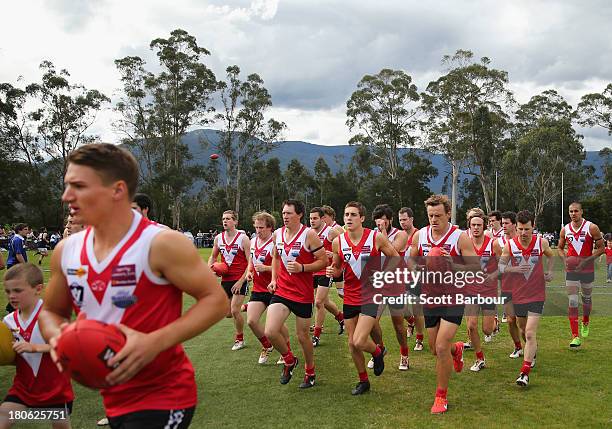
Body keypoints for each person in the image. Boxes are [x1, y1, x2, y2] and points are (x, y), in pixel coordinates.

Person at [38, 143, 227, 429]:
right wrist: (60, 338)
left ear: (117, 190)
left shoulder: (161, 243)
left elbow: (215, 300)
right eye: (67, 186)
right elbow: (51, 313)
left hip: (165, 393)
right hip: (113, 395)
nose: (66, 197)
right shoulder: (66, 251)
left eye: (78, 186)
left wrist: (154, 343)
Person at [409, 194, 478, 414]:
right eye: (430, 215)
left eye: (438, 215)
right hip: (430, 297)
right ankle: (456, 349)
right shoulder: (420, 236)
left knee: (440, 347)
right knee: (435, 349)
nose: (433, 220)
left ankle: (441, 397)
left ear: (448, 213)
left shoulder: (459, 238)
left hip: (453, 297)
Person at [326, 201, 399, 394]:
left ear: (362, 218)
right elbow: (338, 268)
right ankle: (363, 381)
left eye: (353, 215)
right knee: (352, 343)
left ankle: (377, 352)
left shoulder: (375, 238)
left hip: (370, 295)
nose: (348, 218)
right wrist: (331, 271)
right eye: (346, 215)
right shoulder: (338, 242)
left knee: (359, 341)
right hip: (350, 296)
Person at [1, 263, 74, 429]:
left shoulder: (52, 315)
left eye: (18, 291)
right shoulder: (8, 321)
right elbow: (14, 356)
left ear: (38, 288)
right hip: (23, 390)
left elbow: (67, 347)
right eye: (8, 291)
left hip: (55, 390)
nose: (11, 296)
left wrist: (34, 347)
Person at [264, 199, 327, 388]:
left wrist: (303, 267)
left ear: (299, 215)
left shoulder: (309, 235)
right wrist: (274, 279)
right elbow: (275, 257)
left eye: (289, 213)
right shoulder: (277, 234)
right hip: (282, 291)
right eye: (283, 213)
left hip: (302, 294)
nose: (285, 216)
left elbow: (323, 261)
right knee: (270, 331)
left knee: (302, 337)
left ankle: (310, 371)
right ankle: (290, 360)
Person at [499, 210, 554, 387]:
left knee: (530, 332)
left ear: (533, 227)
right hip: (518, 294)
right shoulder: (510, 245)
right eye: (521, 229)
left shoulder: (541, 242)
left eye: (527, 229)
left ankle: (524, 373)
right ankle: (532, 352)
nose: (523, 233)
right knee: (522, 330)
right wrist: (514, 269)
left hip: (537, 294)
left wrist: (550, 271)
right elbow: (500, 266)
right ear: (517, 227)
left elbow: (551, 256)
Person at [245, 211, 291, 364]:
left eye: (262, 227)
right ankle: (267, 345)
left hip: (275, 288)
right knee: (251, 321)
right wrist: (250, 272)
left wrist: (265, 268)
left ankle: (286, 350)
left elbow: (282, 267)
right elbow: (251, 260)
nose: (258, 231)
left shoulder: (276, 242)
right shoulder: (253, 241)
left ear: (270, 227)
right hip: (258, 288)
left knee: (276, 325)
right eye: (256, 227)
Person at [557, 202, 605, 348]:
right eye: (571, 211)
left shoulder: (591, 227)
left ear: (581, 212)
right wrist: (565, 259)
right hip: (571, 270)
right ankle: (575, 337)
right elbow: (559, 248)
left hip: (587, 269)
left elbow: (601, 248)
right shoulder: (565, 229)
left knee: (586, 299)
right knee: (572, 301)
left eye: (576, 211)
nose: (573, 214)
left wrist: (585, 262)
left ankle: (585, 320)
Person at [370, 204, 410, 371]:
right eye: (378, 222)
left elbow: (394, 251)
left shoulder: (400, 234)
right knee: (371, 321)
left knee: (398, 325)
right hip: (377, 284)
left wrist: (383, 235)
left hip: (395, 284)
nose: (381, 225)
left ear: (390, 221)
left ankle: (404, 354)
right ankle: (379, 350)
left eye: (384, 222)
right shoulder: (371, 235)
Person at [209, 211, 250, 350]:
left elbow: (251, 262)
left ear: (235, 221)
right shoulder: (218, 238)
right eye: (223, 219)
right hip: (225, 280)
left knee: (234, 311)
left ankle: (240, 339)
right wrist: (211, 268)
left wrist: (241, 281)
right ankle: (249, 306)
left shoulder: (243, 239)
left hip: (240, 279)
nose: (225, 221)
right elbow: (213, 257)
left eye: (228, 219)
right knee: (226, 313)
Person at [463, 208, 498, 372]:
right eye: (473, 225)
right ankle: (479, 358)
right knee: (471, 325)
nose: (476, 227)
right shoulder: (464, 243)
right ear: (469, 226)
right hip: (471, 290)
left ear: (484, 226)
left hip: (489, 291)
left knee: (487, 330)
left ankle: (494, 322)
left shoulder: (493, 244)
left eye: (479, 225)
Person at [309, 207, 345, 347]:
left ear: (322, 218)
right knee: (324, 301)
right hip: (313, 270)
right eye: (311, 218)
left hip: (327, 271)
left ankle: (316, 336)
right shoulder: (309, 233)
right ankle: (341, 318)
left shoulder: (330, 232)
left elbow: (344, 245)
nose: (312, 221)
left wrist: (333, 254)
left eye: (315, 218)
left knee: (318, 302)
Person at [398, 207, 425, 351]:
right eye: (400, 220)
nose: (402, 222)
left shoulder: (420, 235)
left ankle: (419, 339)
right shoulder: (398, 235)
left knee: (417, 308)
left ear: (412, 219)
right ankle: (411, 321)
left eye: (405, 219)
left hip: (415, 277)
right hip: (400, 277)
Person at [498, 212, 524, 359]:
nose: (504, 226)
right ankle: (517, 347)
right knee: (510, 319)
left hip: (523, 286)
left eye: (506, 223)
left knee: (522, 322)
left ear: (514, 224)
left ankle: (530, 345)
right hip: (506, 285)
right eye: (502, 223)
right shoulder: (498, 242)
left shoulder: (522, 239)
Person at [321, 205, 345, 298]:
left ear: (331, 216)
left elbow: (346, 244)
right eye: (321, 217)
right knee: (322, 298)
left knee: (341, 293)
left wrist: (333, 254)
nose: (323, 219)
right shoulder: (324, 229)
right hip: (329, 266)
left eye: (325, 217)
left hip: (338, 264)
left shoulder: (337, 228)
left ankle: (358, 305)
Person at [5, 224, 30, 314]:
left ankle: (13, 307)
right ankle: (11, 308)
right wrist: (25, 266)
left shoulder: (15, 238)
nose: (27, 231)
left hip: (13, 265)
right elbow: (18, 255)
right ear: (19, 230)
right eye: (25, 229)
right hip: (15, 265)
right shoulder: (17, 240)